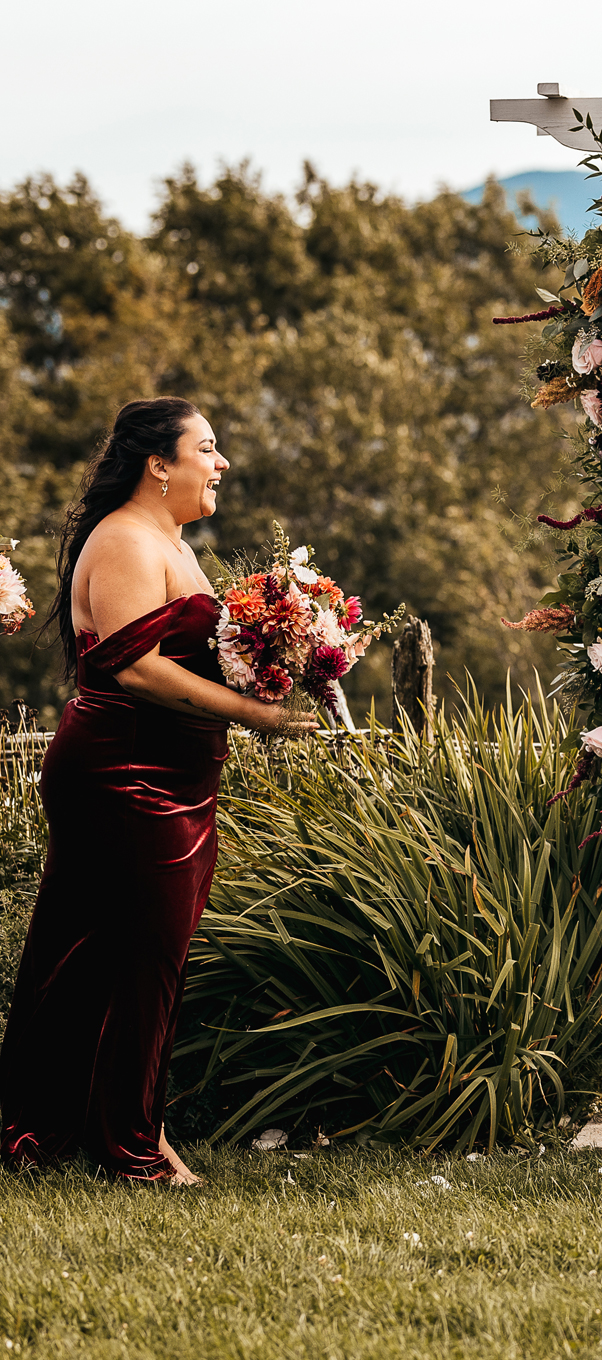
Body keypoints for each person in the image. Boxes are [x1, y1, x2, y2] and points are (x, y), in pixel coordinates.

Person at [0, 398, 315, 1184]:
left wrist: (278, 648)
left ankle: (55, 1127)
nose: (222, 463)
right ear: (158, 464)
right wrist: (255, 713)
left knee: (95, 953)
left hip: (169, 773)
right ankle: (133, 1147)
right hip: (126, 773)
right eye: (208, 448)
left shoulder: (163, 539)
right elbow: (135, 667)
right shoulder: (126, 540)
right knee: (145, 960)